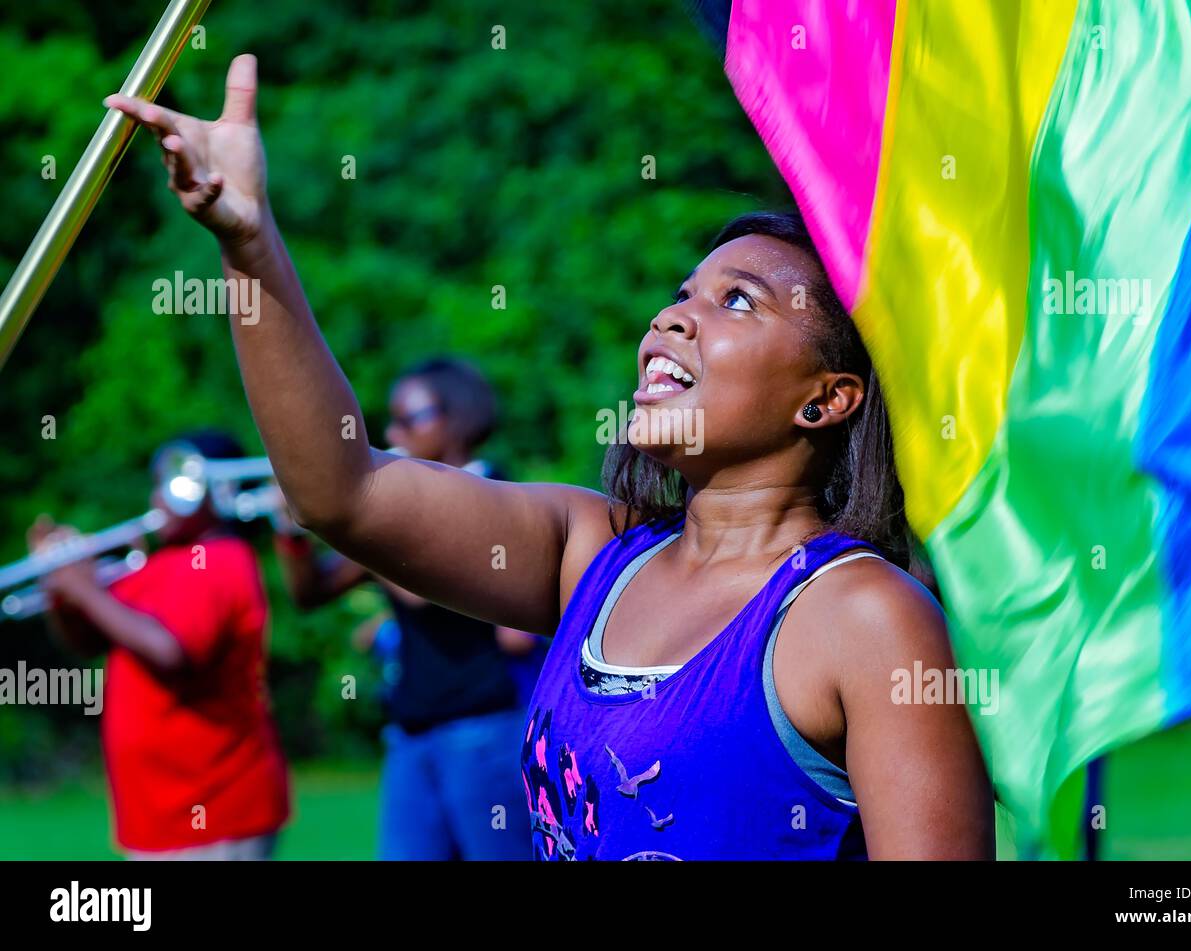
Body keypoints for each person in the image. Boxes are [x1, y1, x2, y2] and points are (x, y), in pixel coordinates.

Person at [106, 54, 993, 860]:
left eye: (737, 301)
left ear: (826, 398)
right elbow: (343, 490)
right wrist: (249, 241)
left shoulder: (867, 617)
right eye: (682, 293)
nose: (672, 317)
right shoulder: (589, 553)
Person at [273, 358, 543, 860]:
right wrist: (294, 534)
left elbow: (426, 591)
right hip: (411, 730)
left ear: (457, 419)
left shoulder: (498, 494)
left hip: (480, 727)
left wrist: (351, 519)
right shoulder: (405, 511)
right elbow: (312, 594)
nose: (392, 431)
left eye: (407, 418)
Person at [31, 430, 290, 860]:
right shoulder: (154, 564)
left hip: (215, 810)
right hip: (156, 817)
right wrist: (63, 592)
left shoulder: (222, 561)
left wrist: (84, 589)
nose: (158, 497)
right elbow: (88, 641)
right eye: (158, 482)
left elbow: (172, 654)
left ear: (216, 490)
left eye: (176, 483)